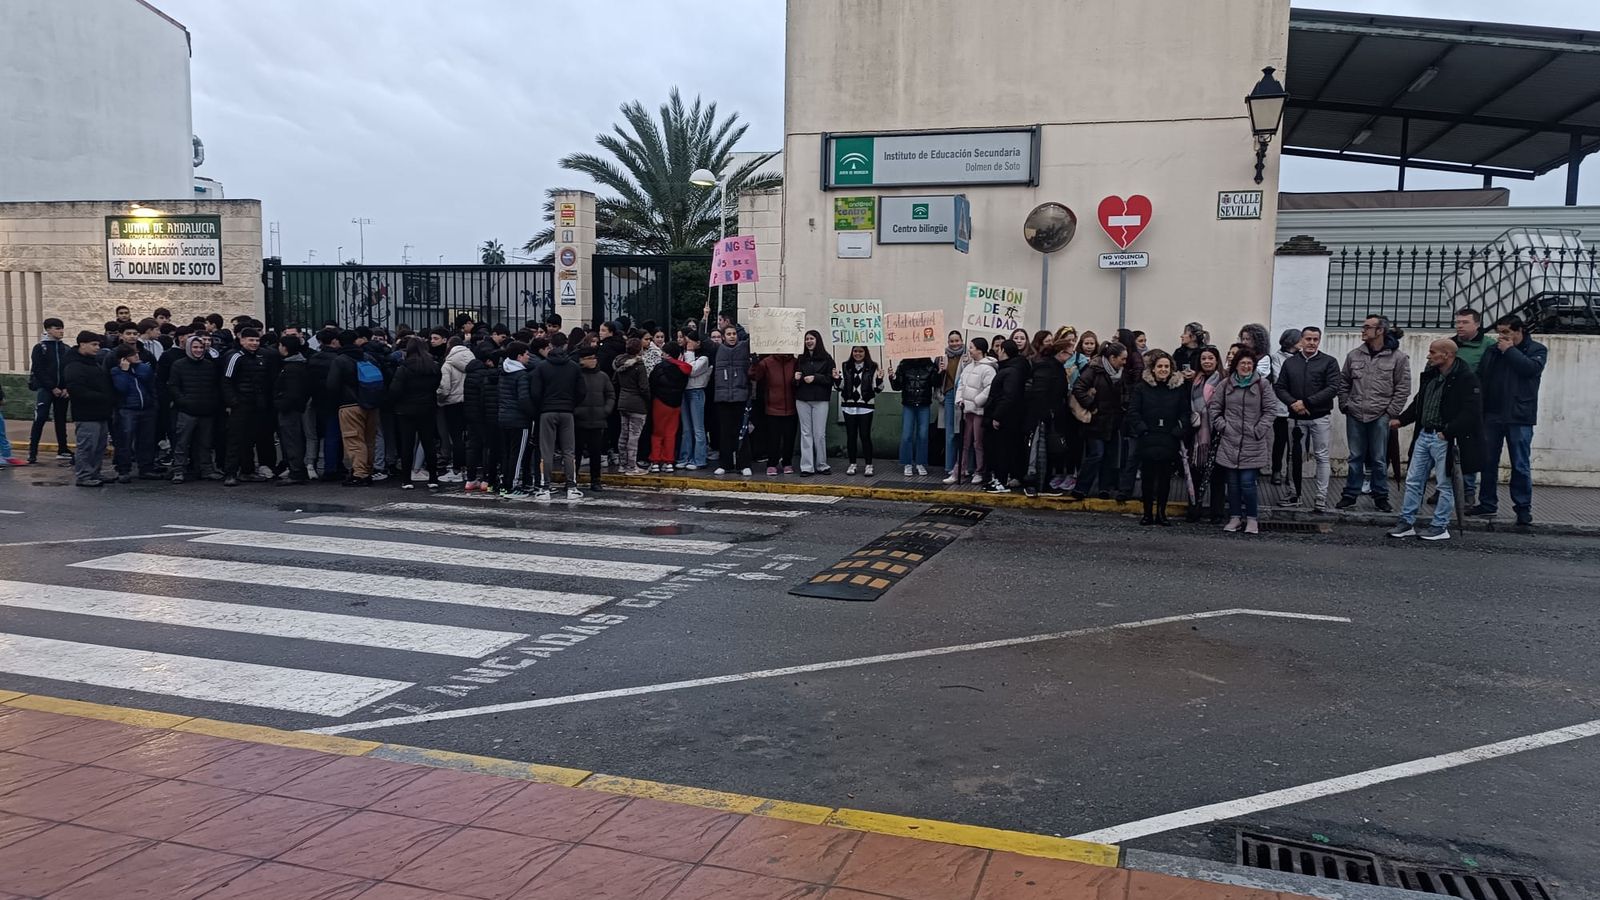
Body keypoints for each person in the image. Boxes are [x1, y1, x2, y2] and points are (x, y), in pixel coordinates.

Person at [1388, 340, 1483, 542]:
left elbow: (1471, 412)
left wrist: (1448, 432)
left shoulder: (1466, 379)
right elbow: (1419, 403)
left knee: (1445, 484)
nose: (1428, 356)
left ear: (1447, 355)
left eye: (1433, 352)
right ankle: (1406, 522)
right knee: (1414, 480)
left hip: (1444, 438)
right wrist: (1402, 420)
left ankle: (1439, 526)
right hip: (1424, 434)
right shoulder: (1431, 375)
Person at [1469, 314, 1547, 526]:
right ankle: (1487, 503)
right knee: (1487, 461)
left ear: (1518, 331)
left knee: (1520, 463)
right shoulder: (1493, 351)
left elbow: (1530, 369)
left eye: (1506, 333)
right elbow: (1482, 376)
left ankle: (1523, 508)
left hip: (1519, 415)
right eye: (1499, 332)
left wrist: (1510, 351)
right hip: (1493, 414)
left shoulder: (1536, 350)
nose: (1501, 337)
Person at [1336, 315, 1410, 512]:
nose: (1363, 330)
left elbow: (1403, 387)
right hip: (1355, 413)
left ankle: (1381, 496)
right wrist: (1345, 405)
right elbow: (1344, 382)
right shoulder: (1354, 355)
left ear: (1380, 331)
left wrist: (1390, 413)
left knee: (1379, 458)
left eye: (1368, 327)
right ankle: (1350, 494)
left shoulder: (1398, 358)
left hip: (1380, 415)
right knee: (1355, 457)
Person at [1273, 325, 1341, 512]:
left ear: (1319, 341)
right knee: (1293, 457)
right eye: (1308, 339)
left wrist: (1307, 403)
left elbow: (1333, 388)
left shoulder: (1329, 362)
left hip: (1320, 417)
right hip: (1295, 418)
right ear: (1301, 341)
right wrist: (1293, 403)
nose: (1311, 343)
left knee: (1321, 456)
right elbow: (1279, 387)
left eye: (1315, 339)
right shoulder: (1290, 363)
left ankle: (1321, 496)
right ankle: (1294, 493)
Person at [1208, 348, 1273, 534]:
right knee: (1233, 484)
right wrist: (1223, 426)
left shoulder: (1263, 385)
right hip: (1230, 441)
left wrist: (1259, 429)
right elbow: (1214, 408)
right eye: (1242, 363)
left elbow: (1270, 410)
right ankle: (1235, 517)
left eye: (1249, 364)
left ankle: (1252, 518)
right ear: (1236, 364)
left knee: (1247, 482)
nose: (1246, 366)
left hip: (1253, 442)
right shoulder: (1225, 384)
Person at [1130, 351, 1188, 524]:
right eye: (1160, 366)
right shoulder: (1141, 387)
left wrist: (1178, 431)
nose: (1163, 369)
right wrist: (1142, 430)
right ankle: (1147, 513)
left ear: (1171, 369)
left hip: (1169, 439)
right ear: (1153, 369)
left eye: (1166, 366)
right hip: (1148, 438)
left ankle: (1161, 513)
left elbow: (1186, 413)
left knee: (1164, 480)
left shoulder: (1178, 389)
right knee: (1147, 479)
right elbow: (1133, 412)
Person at [530, 331, 586, 499]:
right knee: (569, 451)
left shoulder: (542, 367)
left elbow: (535, 392)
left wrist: (542, 406)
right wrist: (571, 404)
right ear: (565, 344)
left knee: (546, 451)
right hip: (567, 411)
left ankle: (545, 488)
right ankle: (571, 487)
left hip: (547, 411)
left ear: (550, 345)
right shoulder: (574, 367)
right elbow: (582, 391)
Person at [1070, 341, 1128, 500]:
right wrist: (1091, 405)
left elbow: (1124, 393)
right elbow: (1078, 389)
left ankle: (1104, 488)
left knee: (1109, 456)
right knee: (1096, 454)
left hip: (1113, 421)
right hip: (1096, 421)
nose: (1124, 362)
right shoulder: (1094, 370)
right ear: (1112, 358)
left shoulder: (1121, 373)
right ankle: (1081, 488)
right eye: (1122, 359)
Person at [164, 333, 223, 483]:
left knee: (205, 443)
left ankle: (206, 469)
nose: (198, 350)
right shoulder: (178, 365)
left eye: (201, 347)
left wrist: (212, 402)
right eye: (195, 347)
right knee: (182, 442)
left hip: (206, 410)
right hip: (186, 411)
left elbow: (215, 386)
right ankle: (179, 470)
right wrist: (183, 401)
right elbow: (173, 386)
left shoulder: (209, 365)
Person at [331, 328, 383, 486]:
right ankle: (367, 469)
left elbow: (332, 385)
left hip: (349, 405)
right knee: (369, 439)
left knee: (354, 439)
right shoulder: (368, 357)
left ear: (340, 342)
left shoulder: (340, 360)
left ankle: (359, 474)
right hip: (371, 403)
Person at [221, 327, 272, 487]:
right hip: (241, 406)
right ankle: (230, 473)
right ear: (242, 340)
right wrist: (233, 402)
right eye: (251, 340)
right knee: (235, 439)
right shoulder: (235, 357)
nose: (254, 343)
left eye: (256, 340)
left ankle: (247, 471)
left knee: (250, 440)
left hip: (256, 406)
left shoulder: (261, 358)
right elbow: (226, 381)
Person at [391, 336, 443, 490]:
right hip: (427, 408)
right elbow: (436, 385)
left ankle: (407, 479)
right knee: (428, 443)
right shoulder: (434, 367)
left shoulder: (404, 368)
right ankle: (433, 477)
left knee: (407, 444)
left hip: (406, 409)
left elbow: (395, 390)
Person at [63, 331, 114, 487]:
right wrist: (103, 396)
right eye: (94, 344)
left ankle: (95, 472)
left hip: (100, 412)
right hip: (86, 414)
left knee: (99, 446)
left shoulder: (93, 362)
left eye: (98, 344)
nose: (97, 348)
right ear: (82, 344)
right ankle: (84, 475)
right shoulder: (74, 365)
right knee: (87, 446)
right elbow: (77, 390)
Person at [1023, 339, 1071, 497]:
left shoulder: (1053, 366)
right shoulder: (1047, 366)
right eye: (1068, 353)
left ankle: (1042, 484)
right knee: (1038, 449)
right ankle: (1033, 483)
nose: (1070, 356)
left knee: (1047, 450)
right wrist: (1047, 412)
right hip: (1042, 415)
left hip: (1051, 414)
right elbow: (1040, 392)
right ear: (1061, 352)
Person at [944, 337, 994, 485]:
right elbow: (961, 385)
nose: (969, 350)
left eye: (971, 347)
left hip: (979, 411)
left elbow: (989, 388)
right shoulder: (968, 367)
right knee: (964, 442)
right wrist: (960, 399)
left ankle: (979, 471)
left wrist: (977, 401)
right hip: (967, 411)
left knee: (978, 442)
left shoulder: (988, 368)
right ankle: (959, 470)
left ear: (980, 349)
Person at [109, 344, 162, 482]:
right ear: (124, 359)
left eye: (136, 353)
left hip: (147, 408)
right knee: (125, 440)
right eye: (132, 355)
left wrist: (154, 404)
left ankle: (146, 468)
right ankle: (123, 469)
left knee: (146, 440)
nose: (137, 356)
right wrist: (125, 371)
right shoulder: (116, 371)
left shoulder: (144, 368)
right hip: (128, 409)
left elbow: (151, 385)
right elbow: (122, 388)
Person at [1185, 346, 1226, 523]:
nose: (1207, 362)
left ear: (1217, 361)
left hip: (1217, 433)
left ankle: (1217, 513)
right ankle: (1194, 509)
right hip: (1197, 435)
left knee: (1217, 477)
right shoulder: (1194, 381)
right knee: (1195, 474)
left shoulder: (1224, 381)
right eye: (1204, 359)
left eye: (1211, 358)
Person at [984, 339, 1029, 494]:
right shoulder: (1013, 368)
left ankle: (1001, 481)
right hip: (1010, 417)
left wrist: (997, 416)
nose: (997, 352)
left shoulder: (1011, 371)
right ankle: (999, 479)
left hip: (1007, 418)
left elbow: (1008, 396)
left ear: (1004, 351)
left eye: (999, 349)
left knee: (1003, 450)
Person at [27, 318, 72, 464]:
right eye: (57, 328)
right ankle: (32, 452)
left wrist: (65, 387)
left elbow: (68, 369)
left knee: (61, 419)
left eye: (61, 328)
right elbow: (38, 370)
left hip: (62, 390)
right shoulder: (40, 348)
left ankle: (63, 449)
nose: (60, 331)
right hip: (46, 389)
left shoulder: (65, 348)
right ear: (48, 330)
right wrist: (52, 387)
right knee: (40, 418)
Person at [710, 325, 752, 477]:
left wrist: (757, 315)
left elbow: (756, 336)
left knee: (742, 432)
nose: (732, 336)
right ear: (723, 336)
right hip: (723, 398)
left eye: (734, 333)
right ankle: (725, 464)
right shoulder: (717, 349)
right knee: (725, 432)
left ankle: (744, 464)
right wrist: (704, 318)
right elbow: (701, 337)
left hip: (740, 396)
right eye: (729, 334)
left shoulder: (743, 347)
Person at [835, 345, 882, 476]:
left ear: (865, 352)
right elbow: (839, 387)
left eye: (861, 351)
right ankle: (852, 464)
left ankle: (869, 465)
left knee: (865, 436)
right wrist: (836, 378)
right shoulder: (845, 366)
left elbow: (878, 389)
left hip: (865, 406)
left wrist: (879, 379)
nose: (858, 354)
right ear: (852, 352)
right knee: (851, 436)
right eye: (855, 351)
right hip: (849, 405)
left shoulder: (873, 366)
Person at [272, 335, 312, 484]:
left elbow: (292, 392)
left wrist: (280, 404)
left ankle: (296, 471)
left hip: (290, 409)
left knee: (291, 440)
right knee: (294, 439)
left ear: (285, 348)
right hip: (295, 407)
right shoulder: (299, 365)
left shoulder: (291, 368)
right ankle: (296, 469)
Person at [574, 346, 615, 492]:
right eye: (589, 358)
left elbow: (610, 395)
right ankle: (573, 479)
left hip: (598, 420)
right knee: (576, 452)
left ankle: (596, 480)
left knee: (596, 453)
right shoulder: (576, 375)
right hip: (579, 420)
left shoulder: (602, 376)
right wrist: (576, 411)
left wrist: (606, 410)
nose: (593, 361)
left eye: (594, 358)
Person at [794, 330, 835, 476]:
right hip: (802, 399)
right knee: (806, 433)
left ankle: (822, 464)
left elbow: (831, 379)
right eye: (806, 339)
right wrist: (796, 379)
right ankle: (807, 466)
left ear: (817, 340)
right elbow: (794, 381)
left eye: (811, 338)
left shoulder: (827, 358)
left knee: (819, 434)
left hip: (820, 399)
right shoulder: (800, 359)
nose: (809, 341)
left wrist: (815, 378)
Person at [497, 341, 535, 496]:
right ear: (519, 356)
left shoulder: (504, 371)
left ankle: (504, 483)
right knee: (517, 455)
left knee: (506, 454)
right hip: (519, 420)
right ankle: (512, 486)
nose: (528, 357)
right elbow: (524, 399)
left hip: (504, 417)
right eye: (526, 354)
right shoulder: (521, 375)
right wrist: (533, 414)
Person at [306, 330, 346, 481]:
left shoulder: (313, 358)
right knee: (334, 435)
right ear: (334, 340)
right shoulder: (337, 359)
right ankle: (333, 467)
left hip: (318, 399)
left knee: (325, 434)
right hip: (335, 400)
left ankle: (330, 466)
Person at [461, 345, 501, 493]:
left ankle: (470, 479)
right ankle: (486, 479)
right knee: (487, 447)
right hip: (485, 416)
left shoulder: (470, 374)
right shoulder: (486, 375)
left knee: (472, 446)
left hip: (471, 415)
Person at [751, 349, 798, 475]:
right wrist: (755, 364)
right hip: (773, 407)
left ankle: (787, 462)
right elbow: (755, 376)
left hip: (791, 407)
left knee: (789, 438)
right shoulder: (766, 362)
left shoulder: (795, 362)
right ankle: (772, 463)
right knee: (773, 438)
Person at [648, 342, 691, 474]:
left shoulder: (659, 367)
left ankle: (655, 461)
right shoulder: (683, 369)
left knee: (657, 433)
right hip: (676, 402)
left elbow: (652, 384)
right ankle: (669, 462)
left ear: (666, 353)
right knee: (671, 433)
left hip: (660, 402)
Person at [891, 353, 937, 477]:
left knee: (923, 435)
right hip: (908, 404)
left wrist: (940, 372)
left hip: (924, 404)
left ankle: (920, 463)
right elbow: (897, 386)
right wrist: (892, 377)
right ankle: (907, 463)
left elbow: (935, 383)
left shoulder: (929, 365)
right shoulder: (904, 364)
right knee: (906, 435)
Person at [436, 337, 473, 483]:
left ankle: (457, 469)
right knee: (468, 437)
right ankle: (467, 469)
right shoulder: (472, 360)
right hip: (468, 402)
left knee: (455, 437)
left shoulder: (448, 364)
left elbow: (444, 388)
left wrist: (439, 399)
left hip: (452, 403)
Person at [615, 338, 653, 476]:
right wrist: (648, 401)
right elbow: (644, 388)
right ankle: (632, 466)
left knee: (624, 434)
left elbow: (615, 381)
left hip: (623, 401)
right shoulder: (639, 365)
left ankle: (622, 464)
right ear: (639, 350)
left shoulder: (619, 364)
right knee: (634, 436)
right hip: (637, 403)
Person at [1270, 328, 1302, 485]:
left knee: (1296, 443)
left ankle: (1292, 473)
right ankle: (1276, 470)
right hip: (1281, 407)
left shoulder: (1302, 358)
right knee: (1280, 441)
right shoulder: (1275, 357)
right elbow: (1278, 378)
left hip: (1299, 407)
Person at [676, 332, 710, 470]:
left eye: (690, 341)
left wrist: (689, 353)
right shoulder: (683, 355)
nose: (688, 344)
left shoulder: (703, 358)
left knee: (698, 428)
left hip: (696, 391)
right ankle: (685, 457)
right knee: (686, 428)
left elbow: (690, 370)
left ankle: (699, 459)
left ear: (698, 343)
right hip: (685, 391)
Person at [939, 330, 966, 471]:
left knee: (963, 433)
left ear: (962, 340)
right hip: (949, 395)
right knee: (949, 433)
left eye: (957, 340)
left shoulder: (967, 356)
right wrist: (941, 371)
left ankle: (965, 466)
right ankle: (949, 467)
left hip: (964, 397)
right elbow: (936, 381)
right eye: (951, 341)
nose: (955, 344)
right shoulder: (942, 357)